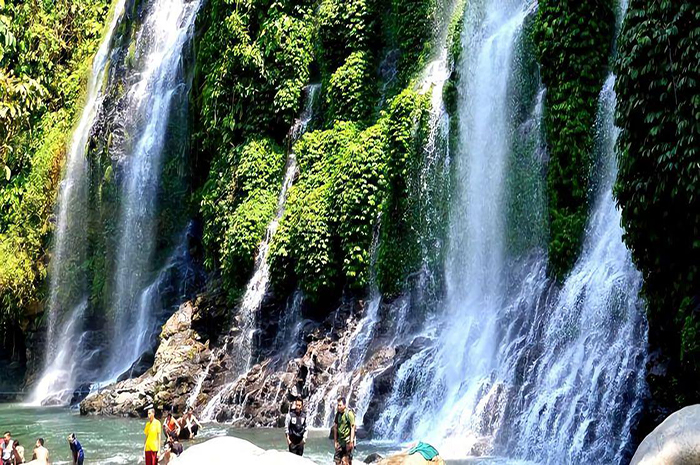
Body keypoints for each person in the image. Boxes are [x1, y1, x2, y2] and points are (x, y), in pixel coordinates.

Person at [333, 397, 356, 465]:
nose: (339, 407)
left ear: (344, 405)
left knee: (346, 461)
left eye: (340, 405)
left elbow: (353, 426)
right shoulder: (338, 414)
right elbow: (335, 427)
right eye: (338, 405)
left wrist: (351, 441)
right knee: (337, 460)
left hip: (347, 441)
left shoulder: (349, 413)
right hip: (340, 441)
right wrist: (335, 441)